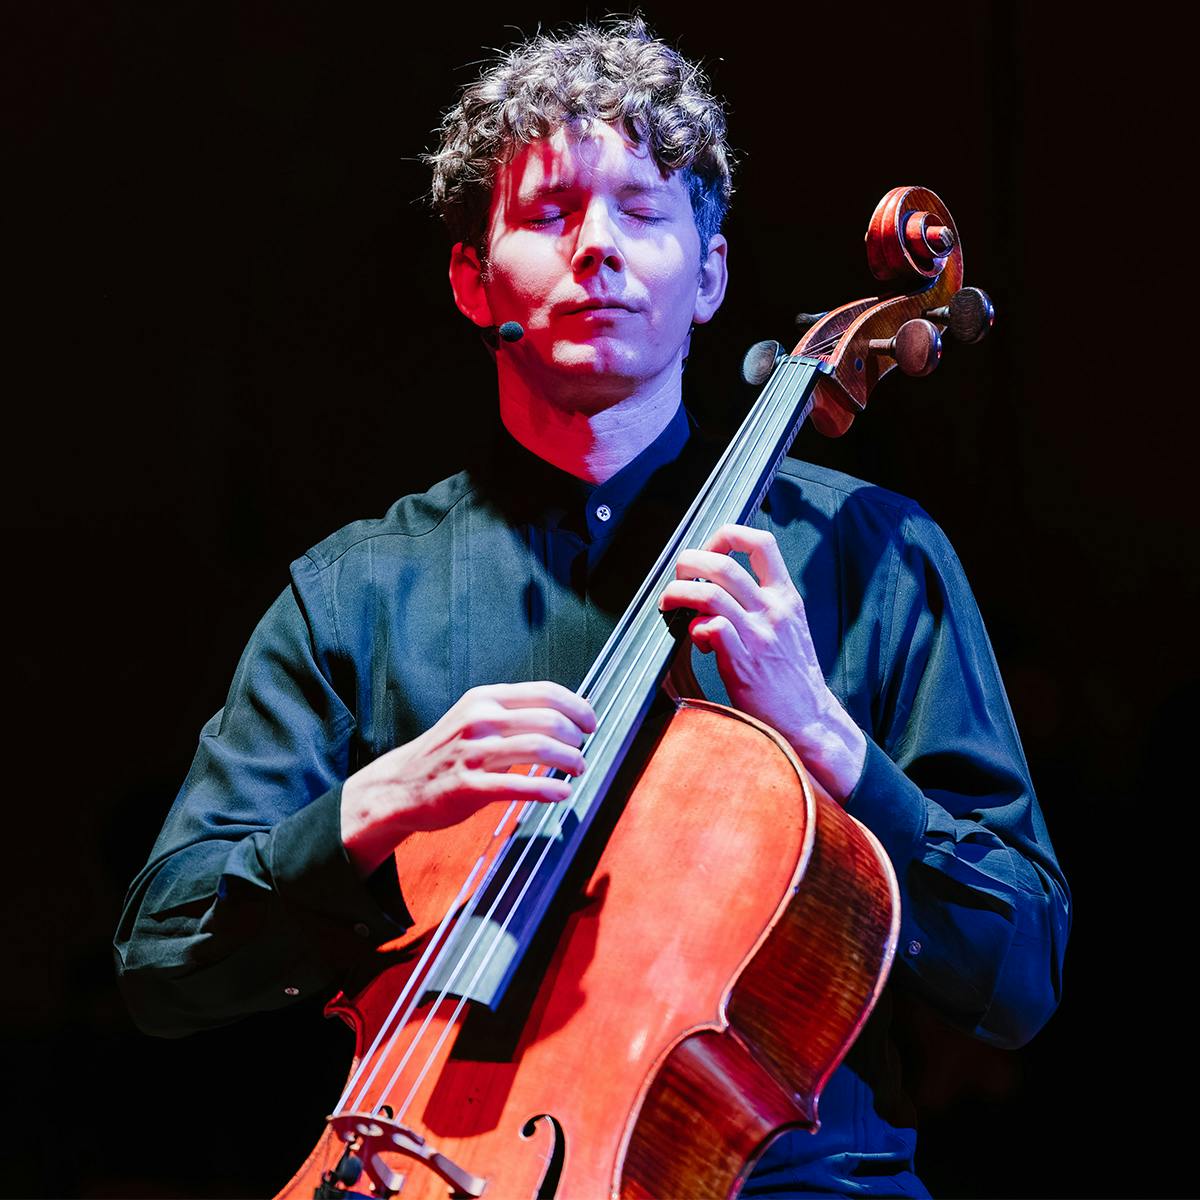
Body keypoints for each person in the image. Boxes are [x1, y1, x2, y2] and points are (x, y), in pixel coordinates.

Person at [115, 19, 1069, 1196]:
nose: (599, 252)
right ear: (474, 281)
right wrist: (378, 801)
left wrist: (823, 734)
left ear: (710, 273)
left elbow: (1018, 971)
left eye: (643, 211)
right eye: (552, 213)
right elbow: (163, 958)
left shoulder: (875, 558)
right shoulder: (355, 597)